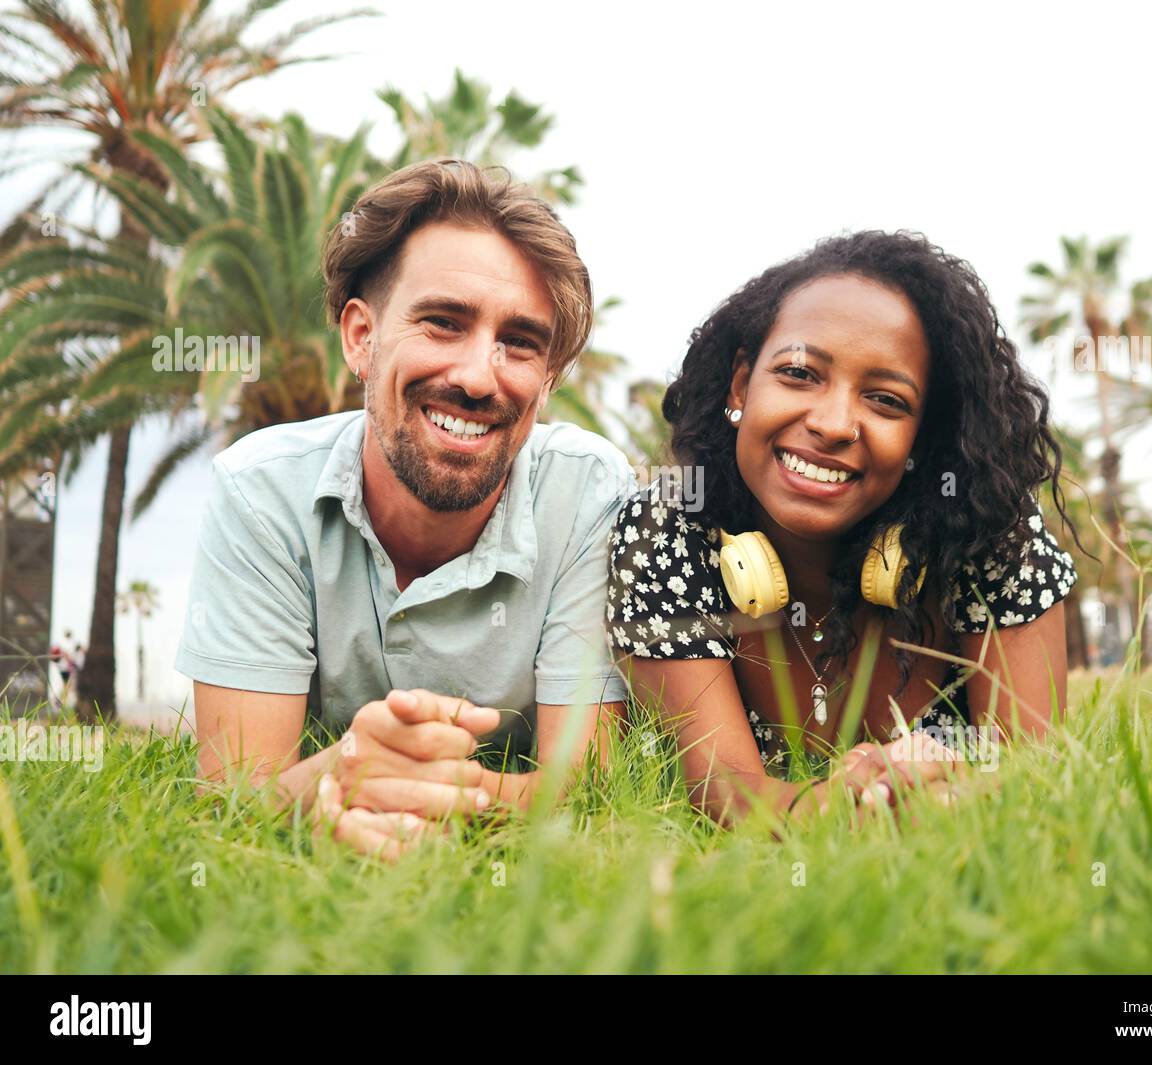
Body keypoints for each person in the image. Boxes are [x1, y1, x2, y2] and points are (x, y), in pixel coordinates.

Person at [177, 159, 634, 860]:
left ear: (546, 382)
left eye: (519, 343)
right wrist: (347, 766)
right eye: (444, 323)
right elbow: (233, 791)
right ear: (362, 337)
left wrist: (385, 783)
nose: (480, 376)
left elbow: (589, 786)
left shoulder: (589, 493)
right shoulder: (260, 490)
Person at [606, 230, 1085, 826]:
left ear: (923, 433)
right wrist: (844, 805)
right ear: (740, 384)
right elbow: (721, 789)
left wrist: (957, 800)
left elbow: (1034, 777)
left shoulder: (988, 526)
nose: (834, 424)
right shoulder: (668, 528)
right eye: (800, 374)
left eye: (885, 400)